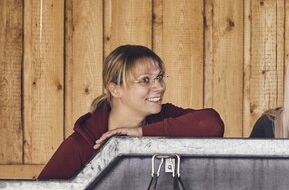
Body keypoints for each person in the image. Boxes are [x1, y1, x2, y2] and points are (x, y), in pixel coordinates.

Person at [38, 45, 224, 180]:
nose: (159, 87)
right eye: (145, 80)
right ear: (115, 89)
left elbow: (212, 125)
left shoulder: (163, 117)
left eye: (159, 78)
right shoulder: (84, 143)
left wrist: (139, 133)